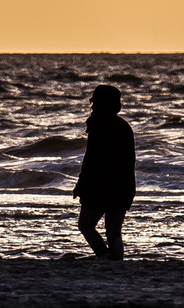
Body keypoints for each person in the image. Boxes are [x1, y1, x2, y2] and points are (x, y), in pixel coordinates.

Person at [72, 84, 135, 260]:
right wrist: (130, 190)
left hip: (99, 187)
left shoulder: (98, 125)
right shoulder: (124, 126)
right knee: (114, 233)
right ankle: (116, 263)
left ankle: (104, 256)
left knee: (85, 225)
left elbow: (91, 159)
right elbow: (131, 161)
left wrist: (81, 186)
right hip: (122, 186)